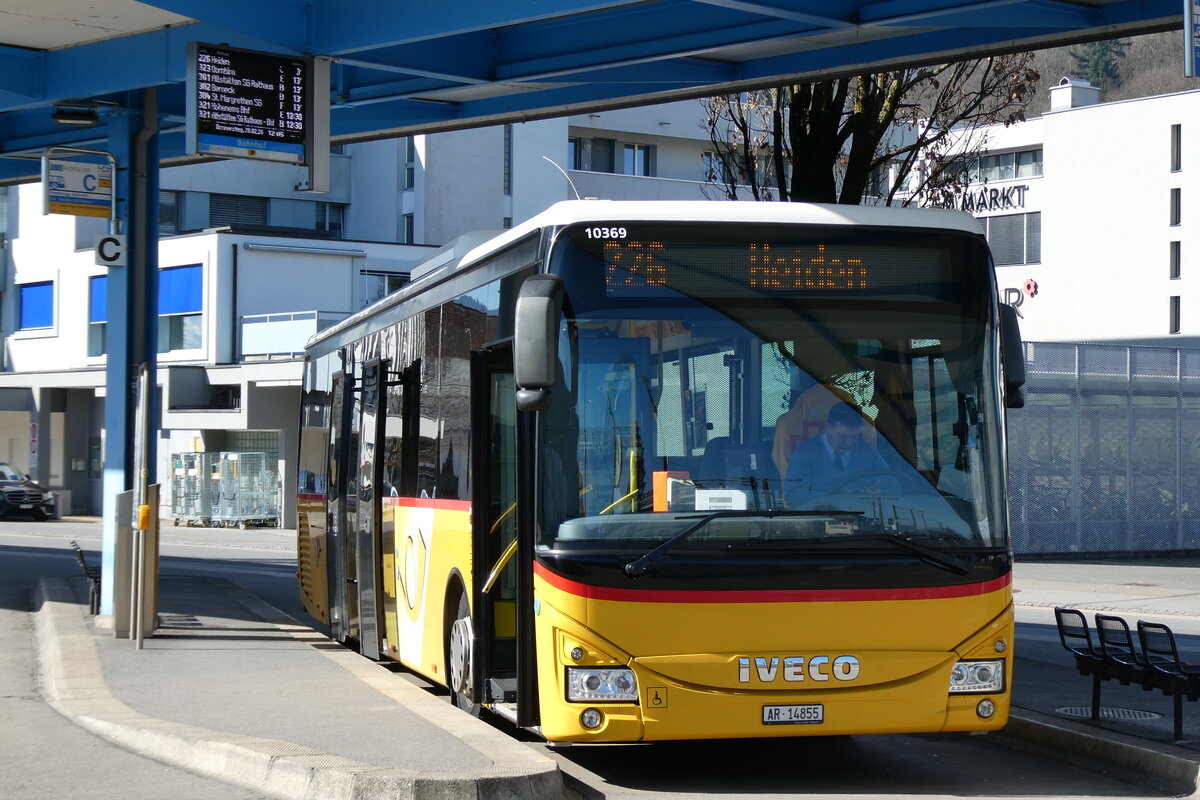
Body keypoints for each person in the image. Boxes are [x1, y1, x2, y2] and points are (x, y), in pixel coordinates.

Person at [784, 402, 889, 506]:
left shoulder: (867, 451)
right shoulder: (806, 452)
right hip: (821, 513)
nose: (849, 443)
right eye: (843, 436)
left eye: (854, 437)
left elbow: (894, 483)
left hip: (865, 513)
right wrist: (837, 496)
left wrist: (880, 492)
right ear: (828, 427)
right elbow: (792, 495)